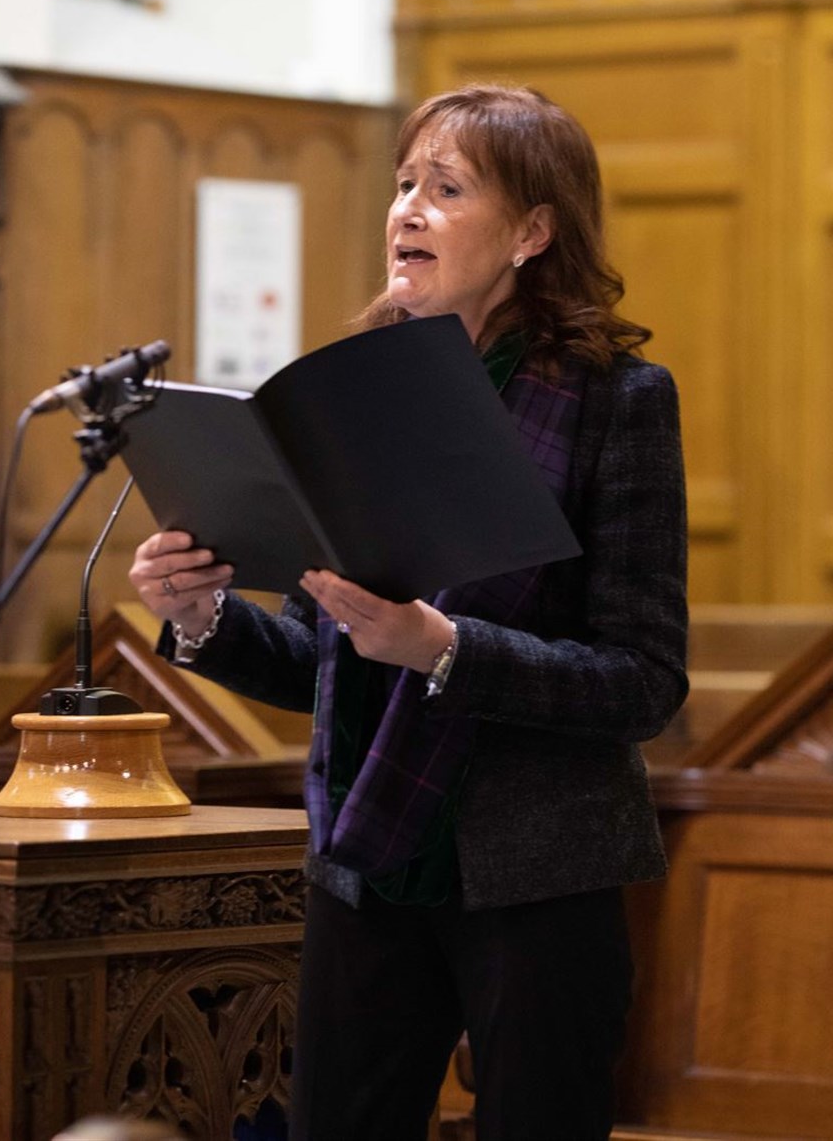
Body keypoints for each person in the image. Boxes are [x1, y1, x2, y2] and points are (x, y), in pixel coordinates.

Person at [129, 84, 688, 1141]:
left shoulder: (619, 401)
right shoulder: (355, 396)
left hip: (539, 875)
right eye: (403, 186)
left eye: (447, 187)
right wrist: (202, 614)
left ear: (532, 231)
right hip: (367, 859)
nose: (408, 210)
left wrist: (446, 651)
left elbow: (645, 682)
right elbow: (323, 657)